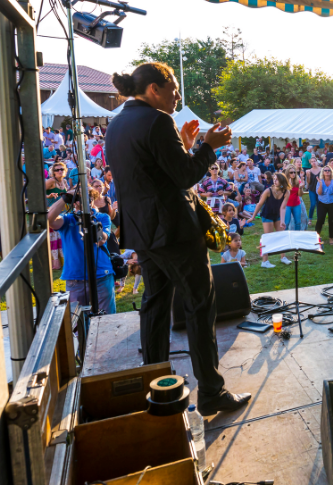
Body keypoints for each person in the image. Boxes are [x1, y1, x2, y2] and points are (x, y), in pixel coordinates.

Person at [105, 61, 250, 415]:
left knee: (155, 305)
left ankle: (155, 386)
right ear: (154, 88)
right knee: (200, 303)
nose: (177, 97)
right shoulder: (157, 120)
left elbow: (155, 173)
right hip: (173, 233)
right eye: (173, 89)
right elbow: (185, 176)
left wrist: (183, 145)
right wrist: (208, 146)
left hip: (143, 232)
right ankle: (212, 392)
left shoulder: (117, 123)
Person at [47, 189, 116, 313]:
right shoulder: (67, 219)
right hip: (75, 278)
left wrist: (90, 219)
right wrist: (65, 198)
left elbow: (100, 240)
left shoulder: (102, 217)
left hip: (101, 275)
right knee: (78, 323)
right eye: (80, 196)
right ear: (74, 202)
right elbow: (49, 220)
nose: (85, 198)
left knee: (106, 319)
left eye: (88, 196)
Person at [252, 172, 291, 267]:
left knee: (281, 235)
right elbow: (259, 204)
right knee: (268, 238)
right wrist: (253, 216)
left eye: (277, 179)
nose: (275, 181)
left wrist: (282, 221)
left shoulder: (286, 192)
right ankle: (264, 262)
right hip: (267, 215)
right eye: (274, 179)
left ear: (282, 180)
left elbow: (283, 208)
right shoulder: (268, 191)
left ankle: (283, 257)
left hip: (277, 215)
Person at [45, 162, 71, 270]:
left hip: (63, 212)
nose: (59, 171)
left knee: (62, 237)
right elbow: (38, 192)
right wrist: (48, 195)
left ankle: (64, 260)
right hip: (52, 212)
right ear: (53, 172)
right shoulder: (51, 181)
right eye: (57, 170)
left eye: (61, 169)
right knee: (54, 238)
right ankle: (55, 262)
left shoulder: (64, 181)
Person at [315, 165, 333, 245]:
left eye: (329, 170)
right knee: (320, 220)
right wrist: (321, 184)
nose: (327, 171)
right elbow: (319, 193)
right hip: (322, 203)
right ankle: (316, 237)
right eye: (325, 170)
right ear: (323, 172)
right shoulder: (320, 181)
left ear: (331, 171)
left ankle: (331, 238)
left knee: (332, 221)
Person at [306, 157, 321, 221]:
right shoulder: (309, 171)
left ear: (317, 162)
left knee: (319, 205)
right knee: (313, 204)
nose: (313, 163)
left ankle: (319, 219)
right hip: (312, 189)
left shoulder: (322, 170)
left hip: (320, 189)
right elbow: (309, 182)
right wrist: (308, 176)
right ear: (310, 163)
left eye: (314, 161)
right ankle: (310, 219)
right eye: (312, 162)